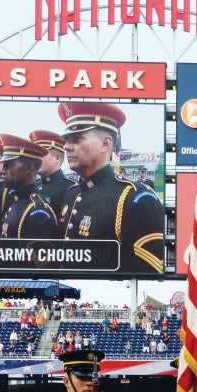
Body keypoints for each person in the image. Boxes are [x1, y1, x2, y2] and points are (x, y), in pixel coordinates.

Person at [58, 102, 167, 272]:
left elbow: (146, 273)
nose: (66, 146)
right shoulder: (72, 194)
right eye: (66, 140)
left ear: (105, 144)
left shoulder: (135, 198)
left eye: (76, 139)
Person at [0, 134, 58, 239]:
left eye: (8, 165)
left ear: (29, 168)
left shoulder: (38, 212)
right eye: (3, 165)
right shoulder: (19, 199)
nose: (2, 170)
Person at [31, 129, 76, 233]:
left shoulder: (70, 188)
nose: (35, 160)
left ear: (57, 158)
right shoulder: (35, 185)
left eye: (40, 155)